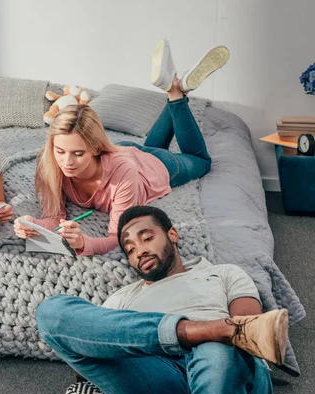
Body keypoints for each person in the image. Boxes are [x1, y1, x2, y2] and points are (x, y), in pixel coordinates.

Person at [36, 205, 288, 394]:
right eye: (130, 249)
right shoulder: (122, 298)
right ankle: (198, 331)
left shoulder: (224, 273)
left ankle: (207, 335)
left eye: (147, 238)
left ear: (172, 234)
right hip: (158, 373)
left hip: (225, 368)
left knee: (219, 347)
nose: (140, 251)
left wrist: (214, 337)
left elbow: (249, 331)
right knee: (50, 312)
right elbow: (89, 361)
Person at [14, 40, 230, 255]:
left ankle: (176, 95)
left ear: (96, 148)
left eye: (78, 154)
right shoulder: (50, 163)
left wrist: (83, 243)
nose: (66, 162)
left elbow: (116, 238)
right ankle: (176, 90)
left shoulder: (123, 176)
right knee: (147, 147)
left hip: (155, 166)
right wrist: (33, 225)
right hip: (126, 151)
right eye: (60, 151)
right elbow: (54, 219)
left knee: (201, 161)